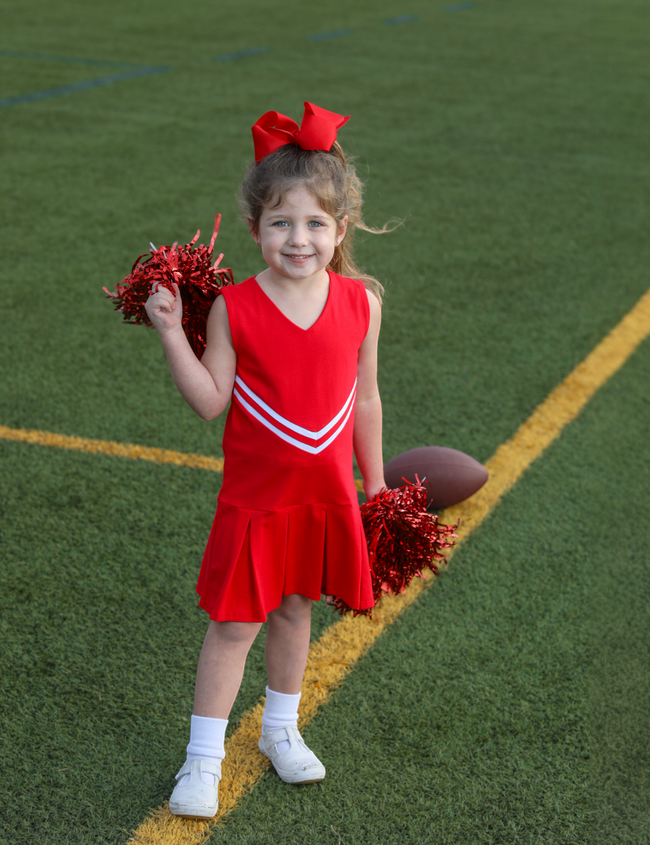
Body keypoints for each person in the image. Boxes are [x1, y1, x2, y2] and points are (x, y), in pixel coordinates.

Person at [144, 102, 388, 819]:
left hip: (324, 494)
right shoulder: (235, 307)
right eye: (281, 223)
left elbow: (365, 400)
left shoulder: (362, 303)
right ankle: (203, 758)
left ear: (340, 230)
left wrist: (373, 482)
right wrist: (170, 335)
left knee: (295, 613)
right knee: (234, 626)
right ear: (254, 230)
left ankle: (282, 728)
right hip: (256, 500)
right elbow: (211, 401)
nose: (299, 238)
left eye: (315, 223)